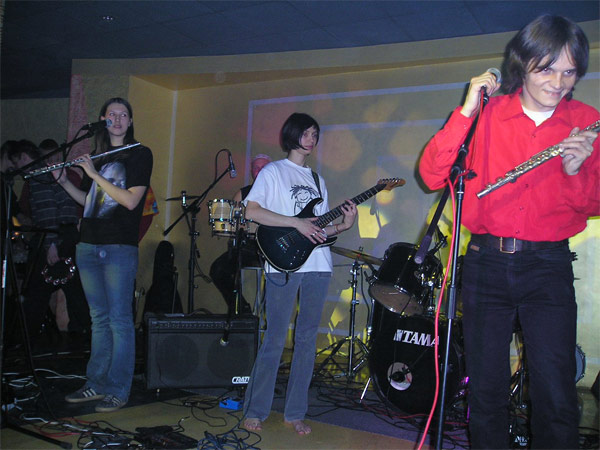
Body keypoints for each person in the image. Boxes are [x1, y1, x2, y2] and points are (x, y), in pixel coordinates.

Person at [419, 15, 598, 449]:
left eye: (569, 72)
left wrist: (575, 170)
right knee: (486, 390)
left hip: (549, 264)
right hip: (486, 263)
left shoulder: (586, 120)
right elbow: (432, 174)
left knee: (556, 391)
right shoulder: (487, 114)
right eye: (547, 69)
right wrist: (466, 110)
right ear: (523, 63)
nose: (558, 82)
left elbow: (594, 204)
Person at [241, 113, 357, 435]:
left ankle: (295, 413)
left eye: (315, 134)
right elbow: (251, 211)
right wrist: (295, 223)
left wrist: (342, 226)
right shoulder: (273, 171)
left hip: (318, 266)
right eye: (306, 133)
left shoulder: (318, 180)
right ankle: (255, 410)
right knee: (275, 338)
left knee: (306, 341)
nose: (311, 139)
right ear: (292, 135)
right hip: (283, 264)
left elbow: (318, 231)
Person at [57, 97, 153, 413]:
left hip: (119, 247)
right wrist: (63, 182)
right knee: (98, 319)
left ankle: (118, 389)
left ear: (130, 121)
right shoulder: (97, 156)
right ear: (103, 119)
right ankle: (96, 383)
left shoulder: (140, 154)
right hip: (88, 244)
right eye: (112, 114)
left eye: (124, 114)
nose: (118, 118)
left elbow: (130, 201)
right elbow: (90, 200)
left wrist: (94, 174)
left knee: (119, 320)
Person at [8, 140, 90, 342]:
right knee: (73, 288)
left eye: (17, 163)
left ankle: (25, 338)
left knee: (37, 290)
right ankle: (86, 332)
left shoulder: (39, 175)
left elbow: (48, 210)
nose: (18, 169)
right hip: (66, 234)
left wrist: (51, 244)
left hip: (54, 235)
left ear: (24, 157)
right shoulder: (48, 172)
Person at [209, 153, 272, 314]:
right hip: (248, 246)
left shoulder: (278, 193)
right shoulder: (243, 193)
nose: (259, 171)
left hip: (271, 248)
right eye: (256, 168)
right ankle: (241, 310)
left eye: (263, 168)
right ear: (251, 171)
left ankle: (268, 318)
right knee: (218, 269)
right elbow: (233, 222)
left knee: (275, 280)